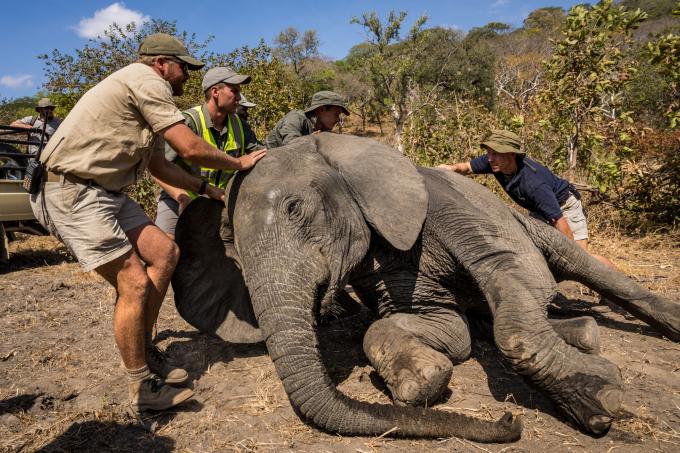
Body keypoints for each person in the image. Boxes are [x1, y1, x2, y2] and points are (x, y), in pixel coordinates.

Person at [29, 33, 266, 413]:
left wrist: (205, 188)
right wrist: (238, 164)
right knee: (134, 282)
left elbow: (159, 163)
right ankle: (141, 386)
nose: (187, 76)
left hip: (107, 192)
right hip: (73, 190)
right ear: (161, 63)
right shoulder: (146, 81)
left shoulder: (147, 97)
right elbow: (188, 148)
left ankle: (145, 350)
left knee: (165, 252)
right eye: (183, 67)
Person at [438, 129, 615, 269]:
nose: (490, 158)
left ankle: (621, 284)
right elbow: (467, 167)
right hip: (540, 210)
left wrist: (569, 252)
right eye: (489, 153)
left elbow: (558, 220)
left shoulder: (533, 184)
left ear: (511, 154)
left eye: (496, 153)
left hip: (564, 207)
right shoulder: (494, 163)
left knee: (581, 260)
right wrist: (450, 168)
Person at [155, 67, 264, 239]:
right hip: (180, 198)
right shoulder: (188, 121)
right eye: (234, 91)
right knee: (166, 248)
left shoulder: (240, 125)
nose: (238, 98)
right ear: (215, 92)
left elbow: (260, 154)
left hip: (219, 200)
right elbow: (158, 169)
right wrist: (181, 197)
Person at [264, 90, 349, 149]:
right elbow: (290, 147)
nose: (338, 119)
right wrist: (310, 139)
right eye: (336, 114)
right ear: (321, 109)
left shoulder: (322, 129)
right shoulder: (296, 117)